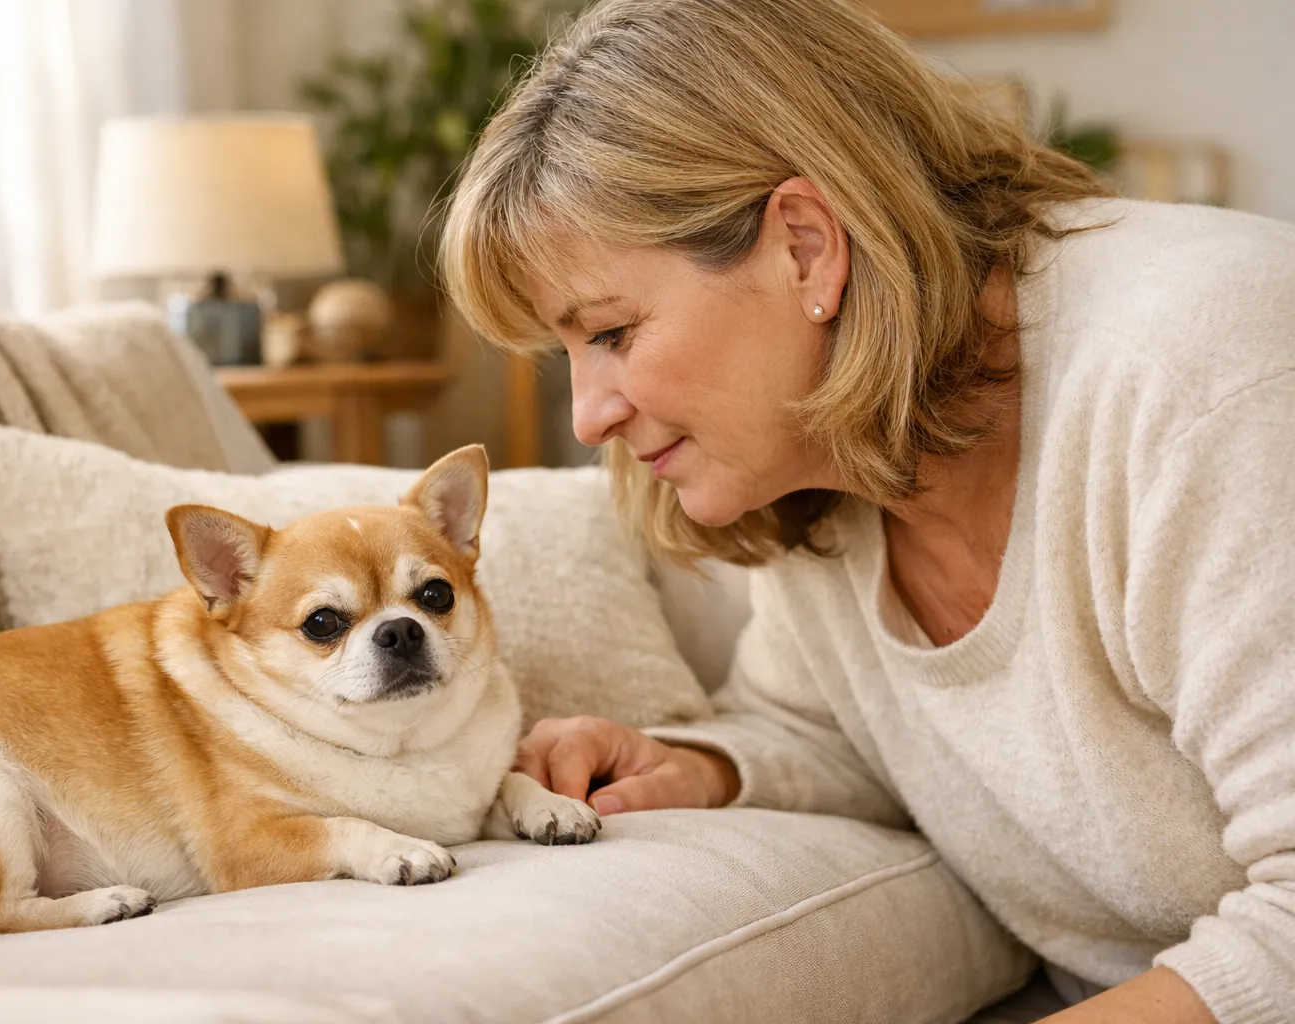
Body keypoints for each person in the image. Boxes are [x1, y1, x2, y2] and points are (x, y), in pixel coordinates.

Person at [437, 1, 1295, 1021]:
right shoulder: (821, 460)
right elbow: (845, 728)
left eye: (614, 332)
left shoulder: (1207, 371)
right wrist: (703, 765)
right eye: (566, 355)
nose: (588, 417)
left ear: (805, 247)